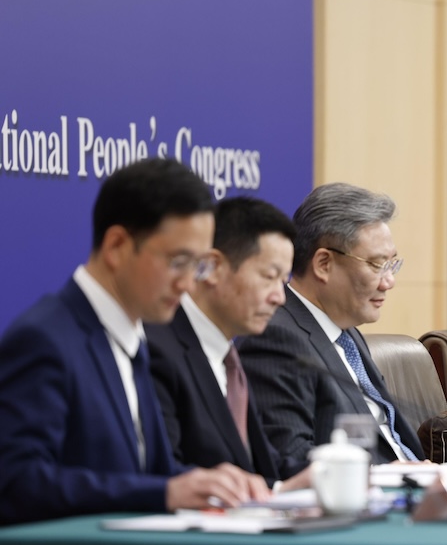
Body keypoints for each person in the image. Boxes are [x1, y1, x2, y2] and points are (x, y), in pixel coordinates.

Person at [0, 158, 268, 525]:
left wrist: (204, 482)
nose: (189, 284)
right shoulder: (44, 339)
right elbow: (18, 483)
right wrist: (164, 493)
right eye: (178, 261)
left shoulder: (133, 335)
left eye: (198, 266)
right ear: (117, 246)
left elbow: (145, 470)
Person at [238, 183, 425, 465]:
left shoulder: (347, 333)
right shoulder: (275, 337)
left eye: (391, 264)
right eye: (376, 265)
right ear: (324, 263)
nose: (389, 282)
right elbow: (290, 459)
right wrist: (390, 478)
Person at [147, 197, 311, 490]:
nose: (280, 297)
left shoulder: (227, 356)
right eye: (269, 277)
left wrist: (335, 473)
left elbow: (261, 464)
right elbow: (167, 476)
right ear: (213, 267)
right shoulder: (157, 349)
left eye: (283, 280)